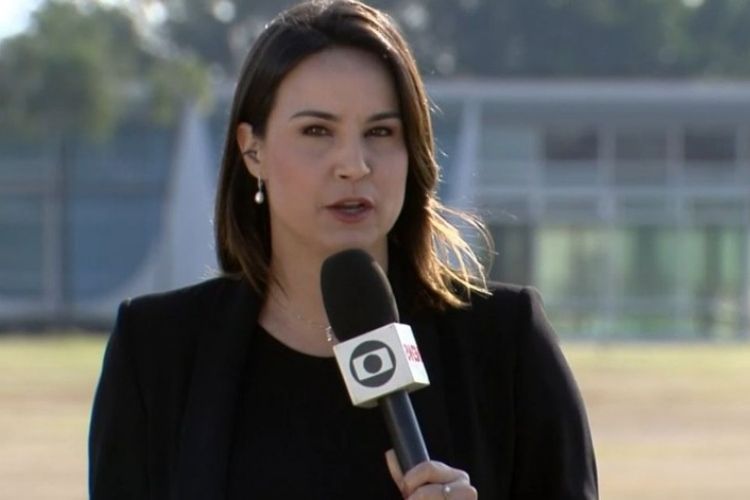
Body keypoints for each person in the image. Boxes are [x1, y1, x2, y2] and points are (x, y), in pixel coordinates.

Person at [89, 0, 598, 498]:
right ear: (252, 149)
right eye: (317, 130)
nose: (354, 164)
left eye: (381, 131)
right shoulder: (155, 352)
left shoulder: (506, 344)